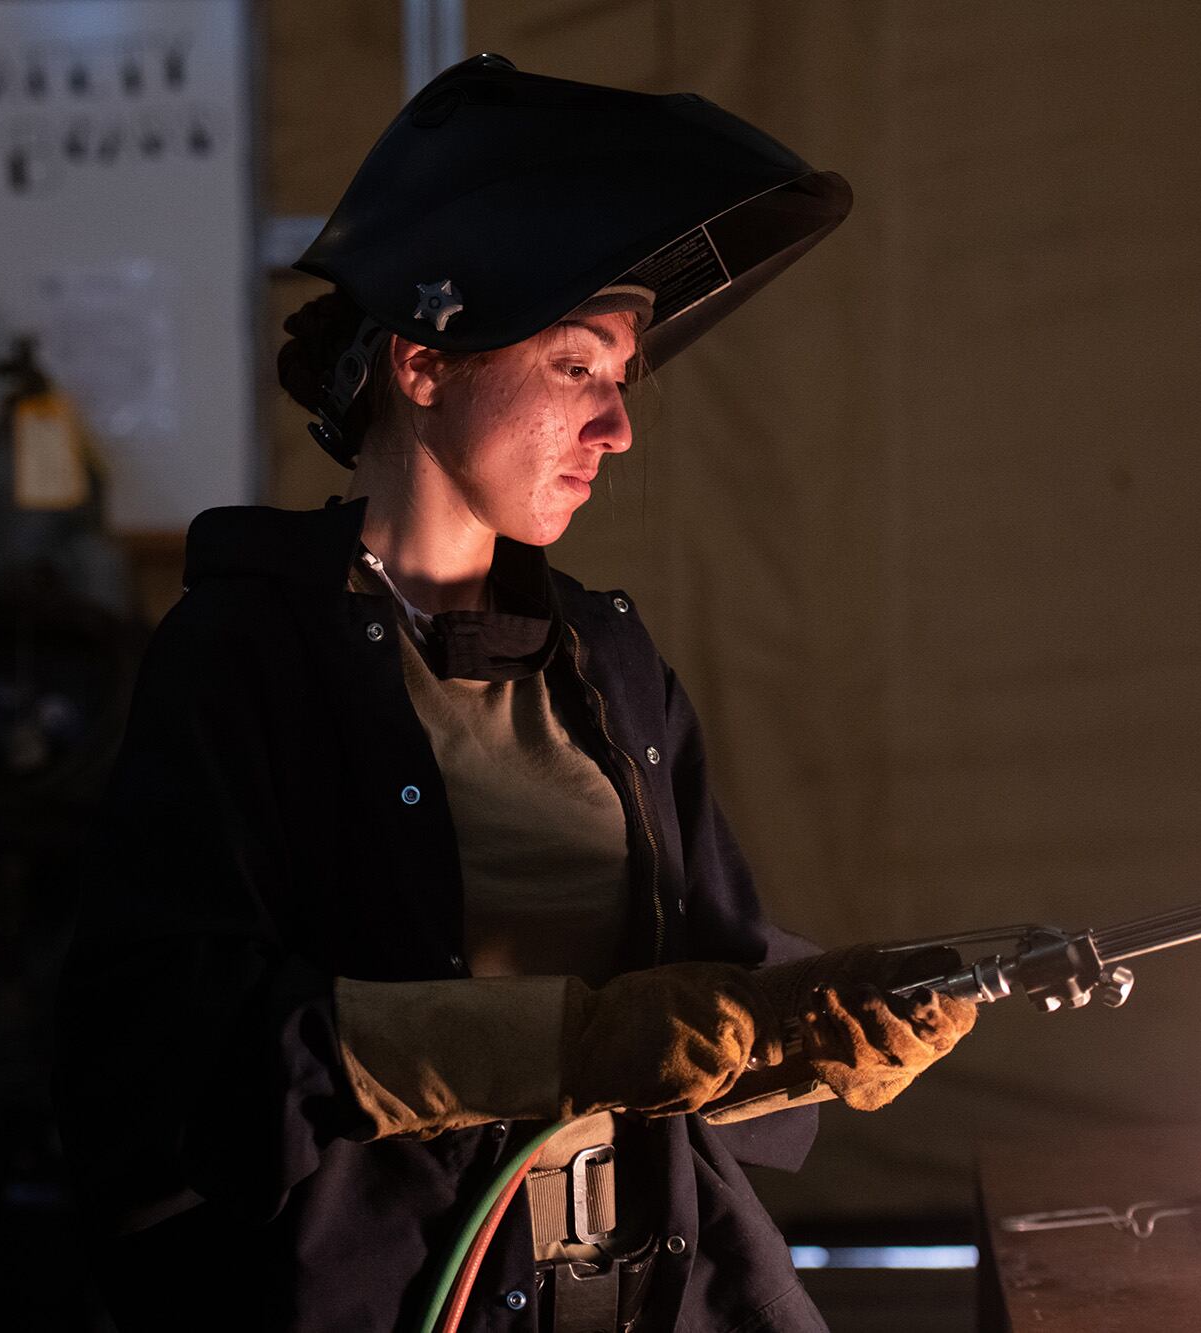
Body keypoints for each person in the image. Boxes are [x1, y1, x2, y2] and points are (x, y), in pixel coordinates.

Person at [56, 55, 975, 1333]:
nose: (617, 426)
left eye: (621, 378)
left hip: (642, 1293)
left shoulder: (607, 662)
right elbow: (180, 1060)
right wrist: (570, 1040)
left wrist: (808, 1035)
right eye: (573, 366)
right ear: (422, 365)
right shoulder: (246, 657)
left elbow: (689, 1027)